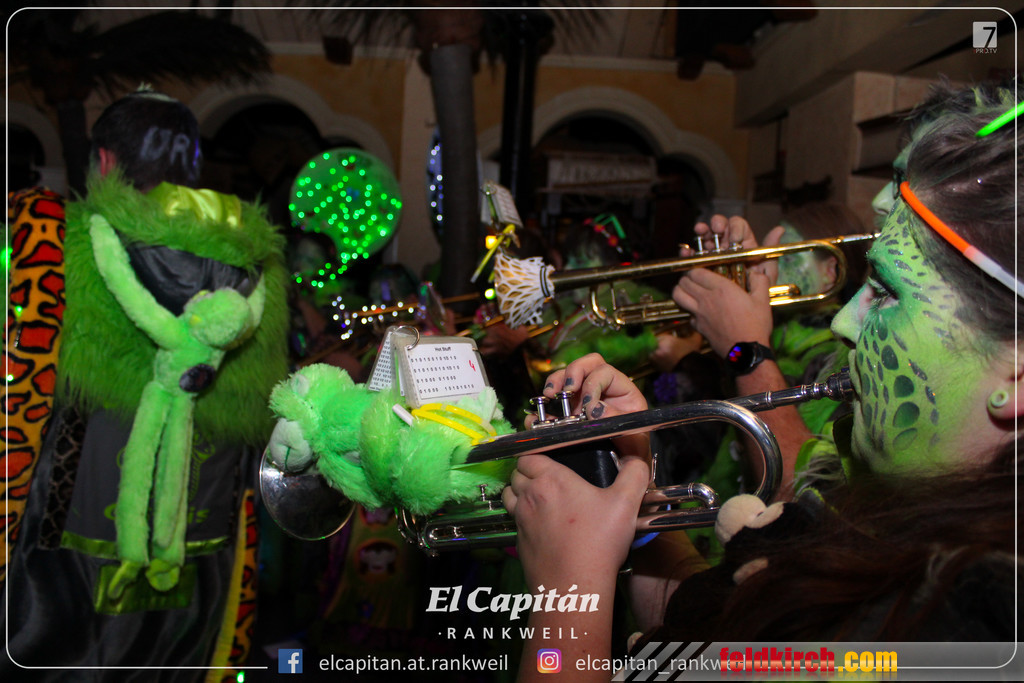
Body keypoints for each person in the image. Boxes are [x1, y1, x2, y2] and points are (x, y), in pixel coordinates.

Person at [504, 86, 1020, 679]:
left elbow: (792, 478)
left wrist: (569, 594)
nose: (845, 320)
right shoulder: (905, 517)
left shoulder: (968, 619)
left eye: (885, 293)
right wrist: (630, 489)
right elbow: (716, 628)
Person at [3, 89, 289, 678]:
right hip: (199, 563)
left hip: (62, 562)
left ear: (105, 162)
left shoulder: (53, 239)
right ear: (190, 167)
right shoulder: (258, 264)